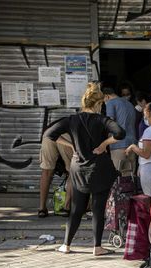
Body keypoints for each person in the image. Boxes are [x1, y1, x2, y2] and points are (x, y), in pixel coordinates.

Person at [44, 82, 126, 256]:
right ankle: (97, 247)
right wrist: (104, 144)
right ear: (97, 104)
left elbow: (49, 134)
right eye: (101, 105)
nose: (101, 107)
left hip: (78, 168)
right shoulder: (102, 120)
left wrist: (71, 145)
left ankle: (66, 244)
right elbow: (120, 133)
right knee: (98, 208)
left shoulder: (72, 120)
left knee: (77, 207)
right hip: (100, 169)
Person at [38, 128, 73, 217]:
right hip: (66, 136)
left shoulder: (63, 122)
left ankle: (42, 208)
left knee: (46, 172)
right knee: (72, 172)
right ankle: (66, 208)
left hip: (49, 134)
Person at [104, 87, 137, 174]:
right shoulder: (130, 104)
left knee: (116, 177)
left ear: (106, 96)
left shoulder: (110, 103)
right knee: (129, 178)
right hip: (132, 145)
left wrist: (105, 143)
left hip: (118, 145)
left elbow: (110, 123)